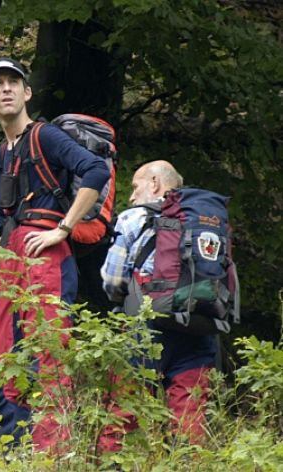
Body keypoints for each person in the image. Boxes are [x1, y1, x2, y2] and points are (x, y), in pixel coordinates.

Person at [0, 57, 111, 451]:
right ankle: (16, 456)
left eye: (13, 82)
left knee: (47, 362)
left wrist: (63, 229)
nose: (6, 89)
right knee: (0, 371)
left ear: (27, 92)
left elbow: (95, 171)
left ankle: (51, 457)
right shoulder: (5, 152)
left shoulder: (45, 136)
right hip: (13, 261)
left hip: (46, 257)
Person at [99, 160, 217, 451]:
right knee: (190, 421)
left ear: (154, 183)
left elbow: (112, 280)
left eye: (135, 186)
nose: (131, 196)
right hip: (199, 328)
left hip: (145, 328)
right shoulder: (209, 219)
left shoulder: (134, 217)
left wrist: (124, 301)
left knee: (121, 418)